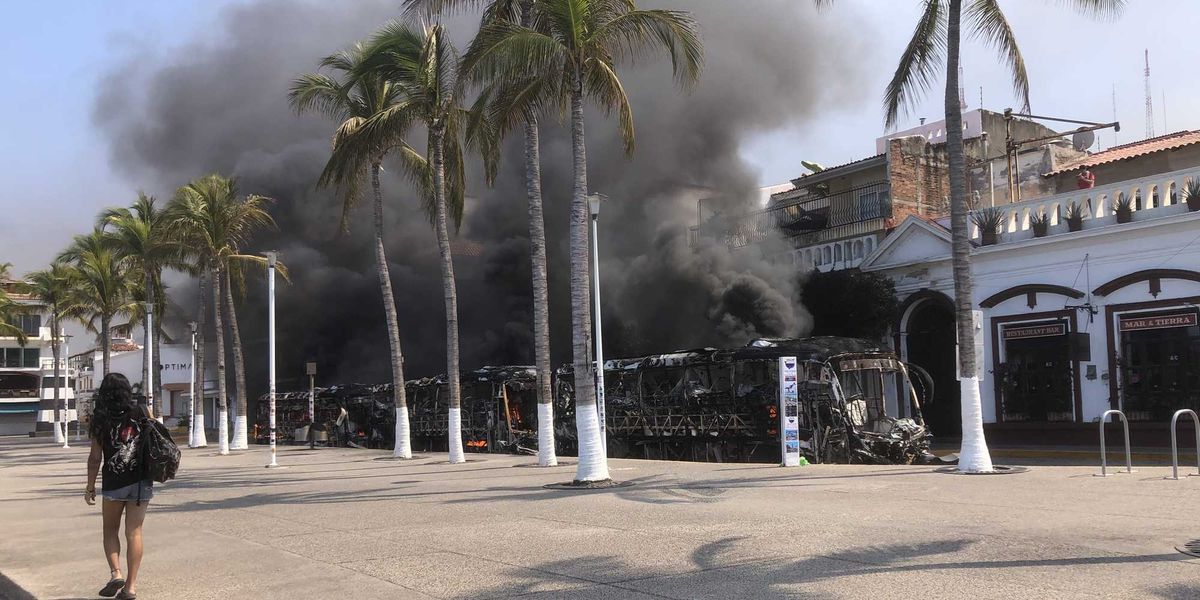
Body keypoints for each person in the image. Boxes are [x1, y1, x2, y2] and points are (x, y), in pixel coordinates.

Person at [85, 373, 152, 599]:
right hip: (141, 481)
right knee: (134, 531)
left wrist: (90, 486)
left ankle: (116, 574)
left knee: (110, 530)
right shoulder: (141, 412)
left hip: (114, 482)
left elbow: (95, 458)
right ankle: (130, 587)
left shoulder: (100, 418)